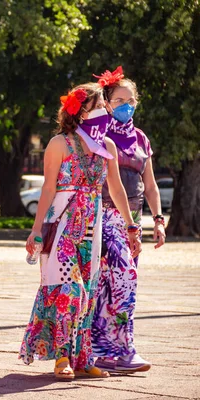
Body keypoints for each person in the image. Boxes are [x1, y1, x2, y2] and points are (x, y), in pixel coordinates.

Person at [19, 83, 142, 380]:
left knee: (88, 290)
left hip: (93, 226)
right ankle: (62, 356)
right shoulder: (59, 143)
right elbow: (48, 188)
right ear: (82, 111)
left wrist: (131, 226)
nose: (107, 111)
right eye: (101, 105)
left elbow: (116, 187)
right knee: (69, 290)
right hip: (62, 225)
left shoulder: (107, 147)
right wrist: (36, 230)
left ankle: (84, 359)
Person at [91, 67, 166, 373]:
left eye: (131, 100)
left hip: (133, 217)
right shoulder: (98, 133)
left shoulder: (140, 138)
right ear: (107, 103)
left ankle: (108, 351)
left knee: (117, 285)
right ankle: (122, 349)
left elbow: (149, 184)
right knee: (121, 280)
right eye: (119, 99)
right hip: (105, 216)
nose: (126, 105)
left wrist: (158, 219)